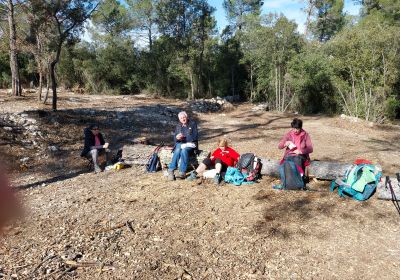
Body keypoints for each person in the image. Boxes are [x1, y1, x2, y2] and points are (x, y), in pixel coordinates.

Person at [277, 118, 313, 186]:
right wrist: (285, 144)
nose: (295, 131)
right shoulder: (289, 134)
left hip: (301, 156)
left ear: (301, 128)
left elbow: (310, 149)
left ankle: (298, 183)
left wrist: (300, 151)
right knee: (286, 162)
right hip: (289, 155)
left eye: (297, 129)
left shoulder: (305, 135)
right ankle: (288, 182)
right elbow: (279, 146)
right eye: (294, 128)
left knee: (296, 160)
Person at [168, 111, 198, 180]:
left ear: (186, 117)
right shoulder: (178, 125)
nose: (183, 119)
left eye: (184, 117)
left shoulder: (193, 124)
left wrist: (184, 137)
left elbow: (195, 137)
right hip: (180, 144)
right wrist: (177, 137)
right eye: (181, 118)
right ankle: (171, 170)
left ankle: (182, 172)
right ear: (179, 119)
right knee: (178, 149)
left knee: (184, 151)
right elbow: (175, 138)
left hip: (190, 144)